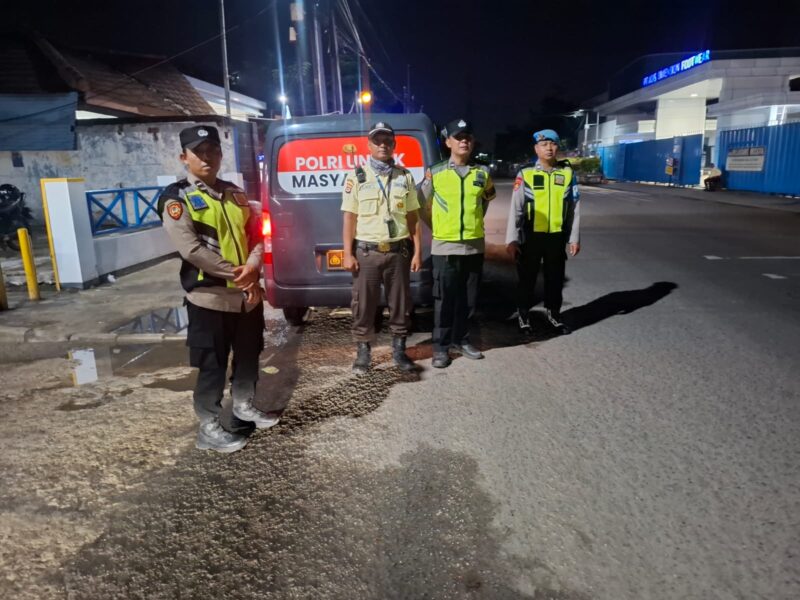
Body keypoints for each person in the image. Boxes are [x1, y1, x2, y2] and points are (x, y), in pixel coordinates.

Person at [158, 124, 278, 453]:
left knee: (249, 355)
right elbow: (192, 250)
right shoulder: (176, 198)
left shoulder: (235, 193)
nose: (207, 157)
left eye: (213, 150)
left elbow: (256, 236)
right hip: (209, 298)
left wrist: (253, 266)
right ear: (184, 158)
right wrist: (241, 275)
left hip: (246, 298)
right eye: (199, 152)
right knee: (212, 364)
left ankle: (243, 405)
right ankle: (208, 426)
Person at [341, 121, 422, 374]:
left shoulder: (404, 176)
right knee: (363, 305)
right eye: (378, 141)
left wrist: (418, 252)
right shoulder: (357, 177)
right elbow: (349, 217)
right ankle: (363, 352)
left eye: (387, 141)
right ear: (369, 145)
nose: (383, 145)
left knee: (401, 304)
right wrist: (347, 253)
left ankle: (399, 350)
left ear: (394, 145)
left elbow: (413, 217)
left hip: (398, 252)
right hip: (367, 252)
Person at [418, 118, 496, 368]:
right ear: (448, 142)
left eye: (468, 137)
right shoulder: (435, 172)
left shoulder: (482, 172)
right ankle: (441, 347)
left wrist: (474, 223)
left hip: (474, 246)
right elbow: (421, 204)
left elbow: (485, 201)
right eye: (458, 137)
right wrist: (438, 226)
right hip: (445, 247)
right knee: (444, 300)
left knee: (468, 299)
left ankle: (462, 340)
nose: (464, 141)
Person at [506, 128, 580, 336]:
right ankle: (523, 315)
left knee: (555, 278)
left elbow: (574, 208)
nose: (549, 148)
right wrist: (512, 239)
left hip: (556, 236)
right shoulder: (526, 174)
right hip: (531, 236)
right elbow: (516, 208)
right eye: (544, 144)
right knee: (527, 278)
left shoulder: (567, 174)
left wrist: (574, 238)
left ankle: (554, 315)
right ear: (536, 149)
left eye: (553, 144)